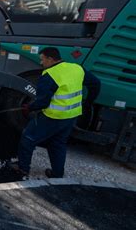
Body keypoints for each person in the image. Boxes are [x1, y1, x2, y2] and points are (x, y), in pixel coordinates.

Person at [13, 47, 100, 179]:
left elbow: (43, 103)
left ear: (50, 59)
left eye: (42, 60)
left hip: (54, 116)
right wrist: (88, 102)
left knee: (28, 138)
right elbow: (96, 83)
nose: (41, 63)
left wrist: (29, 107)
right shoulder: (76, 68)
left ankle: (22, 170)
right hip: (71, 116)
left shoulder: (49, 75)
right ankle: (57, 174)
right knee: (58, 143)